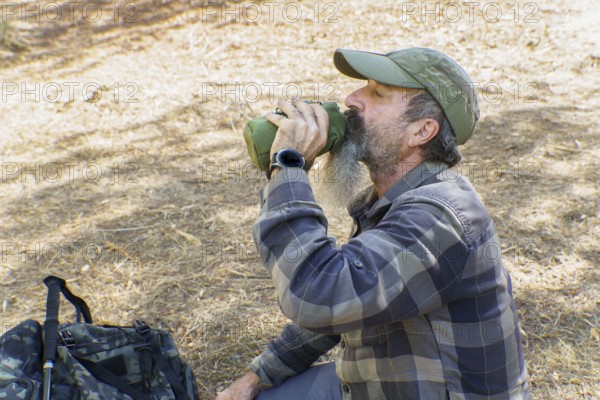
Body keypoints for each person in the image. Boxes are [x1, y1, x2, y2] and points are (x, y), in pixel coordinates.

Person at [216, 47, 529, 400]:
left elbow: (317, 294)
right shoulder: (389, 200)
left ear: (421, 131)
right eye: (363, 87)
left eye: (377, 93)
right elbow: (345, 305)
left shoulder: (439, 216)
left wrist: (288, 163)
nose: (351, 99)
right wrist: (257, 377)